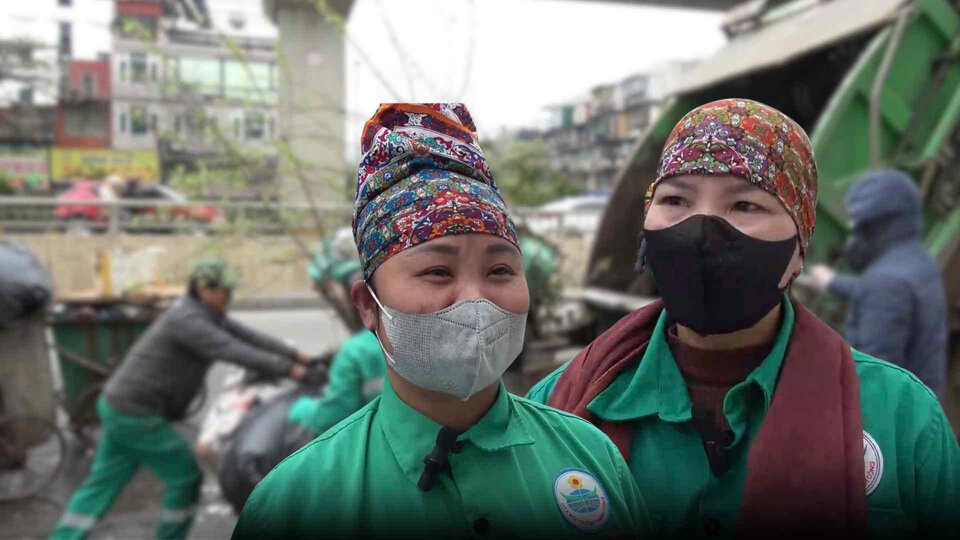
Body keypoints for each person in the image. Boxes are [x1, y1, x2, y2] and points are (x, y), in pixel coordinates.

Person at [526, 99, 960, 537]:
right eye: (675, 199)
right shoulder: (557, 405)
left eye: (746, 206)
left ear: (798, 251)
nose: (701, 230)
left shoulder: (902, 419)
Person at [233, 103, 650, 538]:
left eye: (500, 270)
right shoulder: (294, 503)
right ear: (368, 305)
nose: (476, 300)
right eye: (437, 271)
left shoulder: (592, 457)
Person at [51, 260, 311, 540]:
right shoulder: (187, 320)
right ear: (202, 289)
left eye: (229, 289)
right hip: (135, 413)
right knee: (185, 477)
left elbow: (250, 337)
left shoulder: (206, 314)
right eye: (222, 290)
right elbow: (232, 349)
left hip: (120, 407)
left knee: (103, 483)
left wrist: (296, 355)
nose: (228, 295)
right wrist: (291, 370)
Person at [806, 169, 949, 399]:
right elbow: (879, 295)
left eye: (856, 225)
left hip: (892, 418)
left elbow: (873, 384)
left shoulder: (886, 284)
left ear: (873, 226)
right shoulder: (918, 263)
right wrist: (831, 282)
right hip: (921, 408)